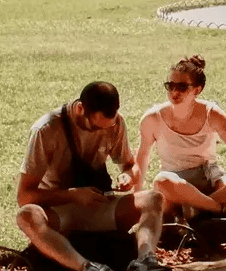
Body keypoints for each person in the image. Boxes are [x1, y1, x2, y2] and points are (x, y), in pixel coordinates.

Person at [16, 81, 170, 271]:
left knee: (154, 199)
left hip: (99, 205)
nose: (102, 131)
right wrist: (73, 195)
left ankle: (146, 261)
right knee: (26, 216)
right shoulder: (47, 129)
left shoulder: (115, 123)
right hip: (61, 212)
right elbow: (24, 196)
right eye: (96, 127)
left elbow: (130, 166)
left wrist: (128, 176)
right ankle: (87, 267)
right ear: (80, 108)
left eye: (107, 126)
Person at [135, 56, 226, 221]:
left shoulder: (211, 113)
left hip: (211, 182)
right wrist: (135, 196)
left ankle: (197, 209)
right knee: (162, 181)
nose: (174, 92)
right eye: (170, 86)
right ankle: (218, 209)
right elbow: (142, 156)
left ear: (197, 89)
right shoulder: (152, 118)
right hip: (177, 187)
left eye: (182, 87)